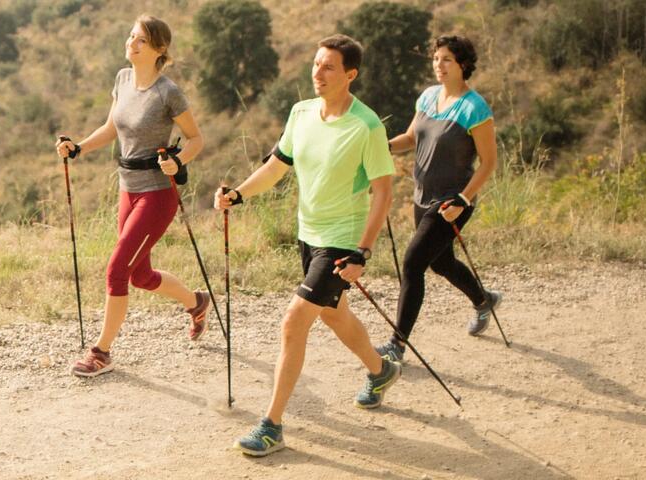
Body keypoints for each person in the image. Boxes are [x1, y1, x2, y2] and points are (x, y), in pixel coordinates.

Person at [212, 35, 403, 457]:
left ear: (350, 74)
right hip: (308, 234)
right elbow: (277, 167)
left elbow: (383, 193)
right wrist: (238, 194)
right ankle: (381, 368)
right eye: (316, 64)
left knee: (294, 321)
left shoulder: (366, 126)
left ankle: (271, 425)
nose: (318, 72)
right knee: (335, 316)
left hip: (341, 241)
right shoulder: (300, 113)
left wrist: (363, 252)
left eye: (329, 66)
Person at [52, 15, 213, 378]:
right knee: (140, 274)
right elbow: (111, 128)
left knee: (117, 269)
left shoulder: (167, 92)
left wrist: (177, 160)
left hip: (157, 193)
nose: (131, 43)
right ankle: (196, 302)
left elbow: (196, 139)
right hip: (127, 188)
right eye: (131, 37)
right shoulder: (123, 79)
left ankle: (101, 352)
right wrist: (79, 147)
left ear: (159, 50)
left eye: (141, 40)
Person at [377, 34, 502, 361]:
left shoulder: (475, 107)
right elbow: (410, 138)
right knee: (441, 262)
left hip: (451, 202)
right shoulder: (429, 97)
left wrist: (463, 199)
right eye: (436, 59)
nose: (439, 65)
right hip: (423, 196)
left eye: (446, 59)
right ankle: (483, 299)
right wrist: (379, 145)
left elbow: (489, 163)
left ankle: (397, 344)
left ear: (463, 65)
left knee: (413, 262)